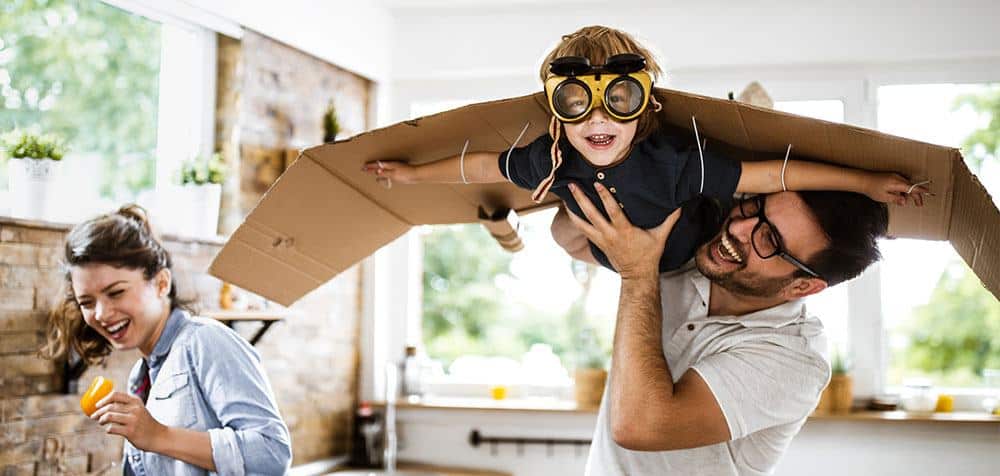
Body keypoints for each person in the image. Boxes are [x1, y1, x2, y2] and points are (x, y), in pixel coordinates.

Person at [362, 25, 926, 273]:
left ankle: (539, 225)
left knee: (576, 220)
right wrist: (411, 175)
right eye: (579, 100)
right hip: (605, 252)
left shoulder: (676, 162)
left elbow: (773, 175)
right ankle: (512, 231)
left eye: (621, 98)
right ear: (559, 106)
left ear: (647, 107)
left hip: (682, 255)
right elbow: (482, 163)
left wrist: (865, 183)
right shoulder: (556, 154)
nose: (599, 119)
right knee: (561, 230)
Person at [558, 182, 890, 475]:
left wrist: (638, 273)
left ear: (802, 287)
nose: (740, 228)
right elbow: (568, 237)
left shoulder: (796, 360)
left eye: (769, 239)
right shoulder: (696, 250)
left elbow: (640, 426)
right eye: (755, 206)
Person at [40, 205, 292, 475]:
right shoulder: (142, 375)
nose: (101, 314)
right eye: (87, 302)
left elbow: (272, 452)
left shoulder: (206, 341)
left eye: (116, 293)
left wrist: (158, 435)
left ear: (162, 283)